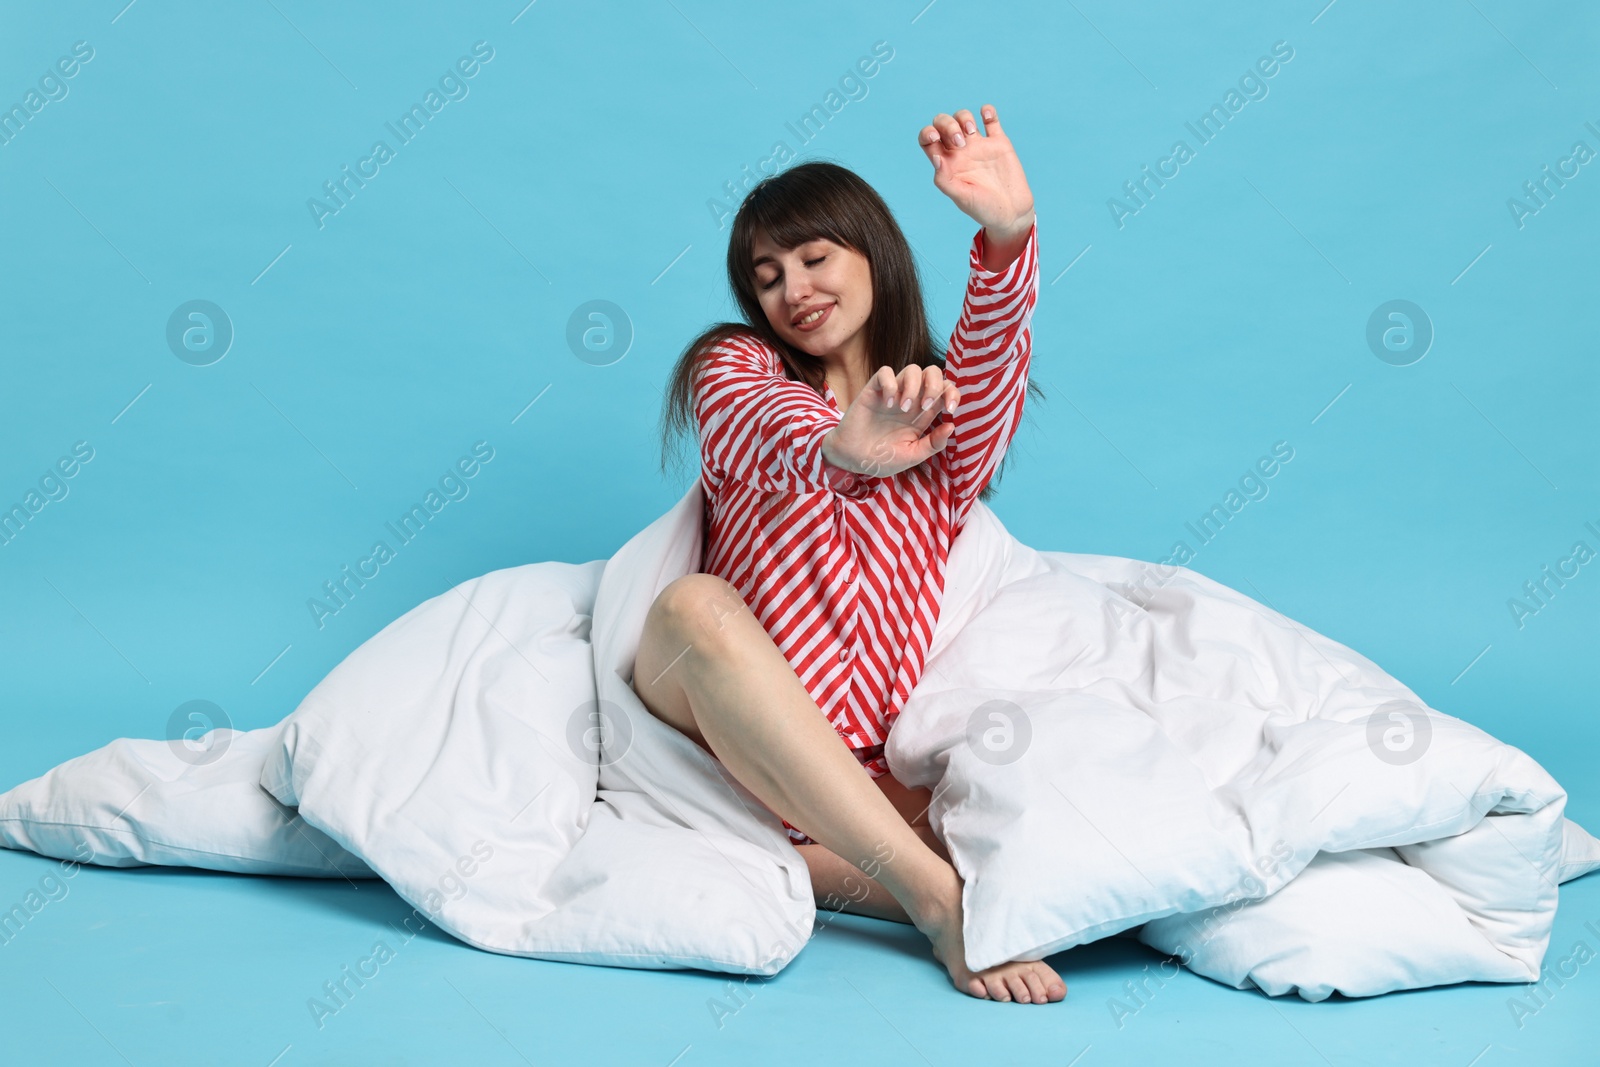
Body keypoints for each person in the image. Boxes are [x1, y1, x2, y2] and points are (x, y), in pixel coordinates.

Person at [636, 105, 1064, 1005]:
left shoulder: (944, 430)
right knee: (693, 607)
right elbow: (758, 426)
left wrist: (1008, 235)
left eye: (815, 257)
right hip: (716, 722)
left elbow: (993, 364)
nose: (792, 287)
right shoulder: (736, 368)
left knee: (1054, 860)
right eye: (768, 275)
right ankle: (936, 904)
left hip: (857, 777)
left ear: (872, 252)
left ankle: (895, 872)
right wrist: (840, 446)